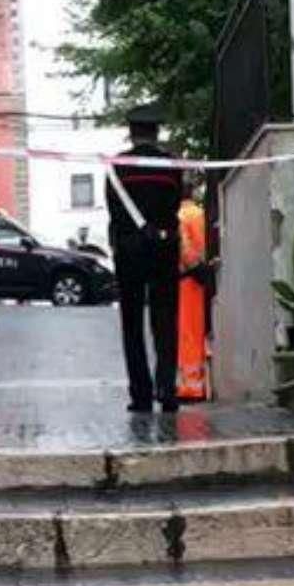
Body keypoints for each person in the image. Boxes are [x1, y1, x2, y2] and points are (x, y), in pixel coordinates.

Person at [106, 104, 186, 412]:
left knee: (132, 322)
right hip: (164, 247)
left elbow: (113, 209)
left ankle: (140, 394)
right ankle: (167, 389)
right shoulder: (171, 166)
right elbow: (176, 203)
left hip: (129, 249)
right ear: (157, 132)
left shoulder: (117, 166)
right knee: (166, 319)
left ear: (131, 132)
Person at [175, 177, 213, 402]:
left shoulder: (179, 216)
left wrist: (193, 267)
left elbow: (184, 249)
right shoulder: (201, 214)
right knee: (200, 331)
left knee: (187, 334)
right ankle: (201, 382)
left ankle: (190, 387)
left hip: (187, 280)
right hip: (203, 278)